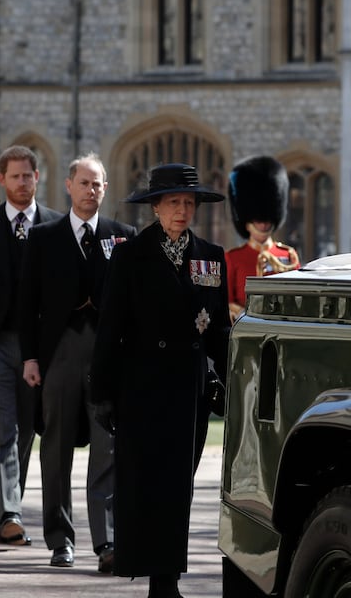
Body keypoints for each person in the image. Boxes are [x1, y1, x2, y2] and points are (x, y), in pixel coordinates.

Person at [89, 163, 231, 598]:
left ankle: (167, 580)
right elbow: (110, 328)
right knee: (144, 486)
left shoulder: (210, 256)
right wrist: (103, 394)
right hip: (142, 388)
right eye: (173, 203)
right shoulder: (130, 255)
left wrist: (231, 379)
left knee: (177, 488)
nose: (182, 211)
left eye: (189, 203)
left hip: (188, 390)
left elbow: (220, 330)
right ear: (155, 207)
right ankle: (155, 578)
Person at [19, 153, 135, 572]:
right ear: (68, 186)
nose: (91, 190)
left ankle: (107, 541)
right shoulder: (43, 237)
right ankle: (60, 539)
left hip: (107, 357)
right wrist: (30, 357)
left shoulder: (123, 236)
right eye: (84, 183)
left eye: (97, 184)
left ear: (106, 188)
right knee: (56, 448)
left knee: (108, 448)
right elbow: (26, 302)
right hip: (59, 354)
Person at [0, 145, 61, 546]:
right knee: (2, 427)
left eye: (28, 175)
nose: (22, 182)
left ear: (38, 177)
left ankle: (11, 504)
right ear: (1, 179)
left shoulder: (55, 226)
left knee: (27, 431)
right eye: (15, 176)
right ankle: (10, 513)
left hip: (39, 346)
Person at [225, 156, 301, 323]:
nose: (263, 224)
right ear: (247, 222)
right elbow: (228, 300)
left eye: (266, 219)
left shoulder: (289, 256)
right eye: (258, 220)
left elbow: (298, 296)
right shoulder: (232, 258)